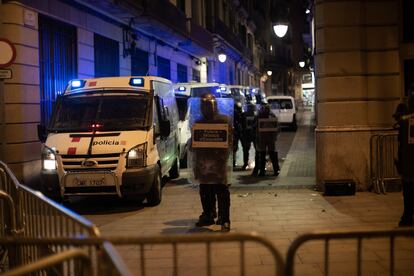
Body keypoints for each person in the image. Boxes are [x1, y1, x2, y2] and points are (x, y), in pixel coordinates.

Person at [191, 93, 232, 231]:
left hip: (218, 163)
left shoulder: (223, 121)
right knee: (206, 191)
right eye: (205, 105)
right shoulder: (199, 123)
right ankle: (210, 215)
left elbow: (230, 140)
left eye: (209, 105)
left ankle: (223, 218)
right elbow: (194, 144)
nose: (207, 108)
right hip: (204, 163)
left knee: (221, 191)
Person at [394, 92, 414, 227]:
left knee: (408, 193)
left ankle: (407, 217)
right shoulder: (406, 120)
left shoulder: (405, 121)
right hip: (408, 164)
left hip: (409, 165)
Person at [255, 104, 280, 177]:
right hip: (268, 138)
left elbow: (276, 126)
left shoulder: (260, 116)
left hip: (264, 138)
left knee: (264, 155)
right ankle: (275, 170)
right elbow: (277, 127)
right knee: (269, 154)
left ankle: (263, 171)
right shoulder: (271, 115)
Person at [241, 103, 257, 171]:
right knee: (257, 150)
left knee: (246, 150)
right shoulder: (256, 115)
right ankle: (257, 165)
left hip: (247, 134)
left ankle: (245, 164)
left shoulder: (244, 114)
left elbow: (241, 124)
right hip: (253, 134)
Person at [233, 102, 244, 168]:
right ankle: (233, 162)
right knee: (235, 148)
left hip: (237, 132)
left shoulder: (238, 114)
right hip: (236, 132)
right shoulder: (237, 114)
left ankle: (234, 162)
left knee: (235, 148)